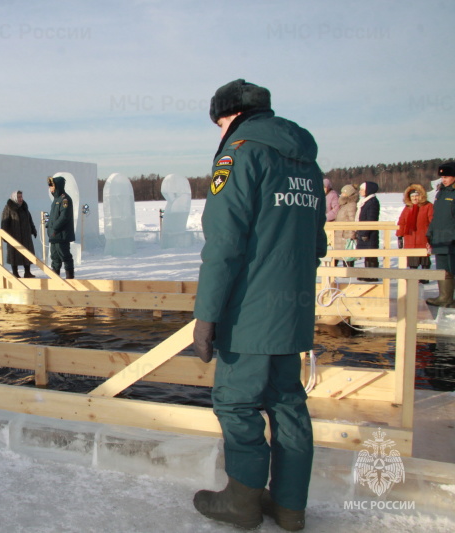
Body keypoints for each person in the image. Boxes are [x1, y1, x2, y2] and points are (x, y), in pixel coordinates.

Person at [191, 79, 326, 531]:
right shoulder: (305, 161)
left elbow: (225, 244)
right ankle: (290, 507)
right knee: (288, 403)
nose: (220, 131)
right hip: (294, 312)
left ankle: (243, 501)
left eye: (221, 122)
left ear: (231, 116)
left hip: (250, 313)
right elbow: (318, 242)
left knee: (237, 404)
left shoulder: (240, 154)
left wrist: (206, 315)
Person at [426, 162, 455, 307]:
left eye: (447, 176)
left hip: (452, 238)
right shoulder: (441, 192)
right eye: (442, 176)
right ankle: (445, 297)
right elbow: (436, 217)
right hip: (440, 238)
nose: (444, 179)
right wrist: (429, 234)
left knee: (452, 268)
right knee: (442, 268)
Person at [396, 184, 433, 283]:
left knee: (424, 259)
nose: (415, 198)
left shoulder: (428, 206)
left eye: (416, 195)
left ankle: (425, 277)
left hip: (424, 237)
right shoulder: (407, 208)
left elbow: (432, 221)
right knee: (412, 260)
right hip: (410, 238)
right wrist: (399, 235)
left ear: (421, 196)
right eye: (412, 196)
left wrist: (431, 234)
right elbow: (402, 222)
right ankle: (413, 277)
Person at [1, 190, 38, 278]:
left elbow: (29, 220)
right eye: (18, 197)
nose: (21, 199)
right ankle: (15, 273)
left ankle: (27, 272)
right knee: (14, 254)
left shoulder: (24, 207)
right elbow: (4, 222)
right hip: (14, 235)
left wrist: (33, 230)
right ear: (14, 198)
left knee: (27, 253)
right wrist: (5, 235)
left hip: (25, 235)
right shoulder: (8, 208)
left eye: (21, 197)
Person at [46, 176, 75, 279]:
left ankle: (70, 278)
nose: (50, 188)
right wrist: (48, 225)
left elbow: (64, 217)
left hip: (61, 235)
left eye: (52, 186)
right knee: (54, 257)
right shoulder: (56, 199)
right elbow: (54, 216)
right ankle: (56, 279)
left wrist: (55, 228)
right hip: (54, 235)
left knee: (65, 256)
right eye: (50, 186)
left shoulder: (65, 199)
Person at [355, 181, 381, 282]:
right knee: (367, 254)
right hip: (363, 232)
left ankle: (372, 275)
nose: (360, 191)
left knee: (371, 254)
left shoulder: (372, 202)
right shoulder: (365, 201)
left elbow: (371, 219)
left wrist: (365, 232)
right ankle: (367, 274)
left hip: (369, 233)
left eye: (362, 189)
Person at [333, 184, 358, 267]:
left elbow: (352, 221)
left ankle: (348, 272)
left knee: (347, 255)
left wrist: (351, 236)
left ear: (348, 194)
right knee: (337, 255)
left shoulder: (351, 206)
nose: (341, 194)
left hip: (346, 235)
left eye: (343, 193)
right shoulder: (343, 205)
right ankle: (333, 274)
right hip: (339, 234)